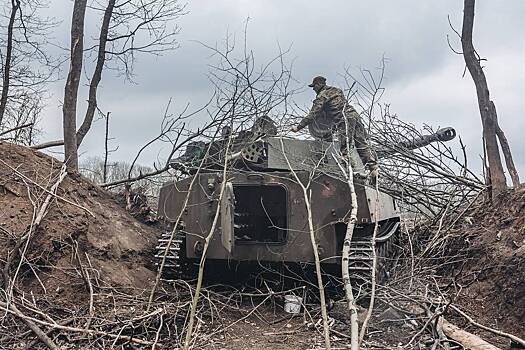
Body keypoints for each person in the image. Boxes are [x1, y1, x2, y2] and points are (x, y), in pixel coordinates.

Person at [291, 76, 378, 177]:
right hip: (354, 115)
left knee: (345, 147)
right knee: (361, 143)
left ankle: (350, 171)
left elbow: (313, 114)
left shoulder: (322, 96)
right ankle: (373, 169)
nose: (313, 89)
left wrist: (298, 127)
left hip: (344, 119)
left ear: (319, 85)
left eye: (314, 86)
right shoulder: (337, 90)